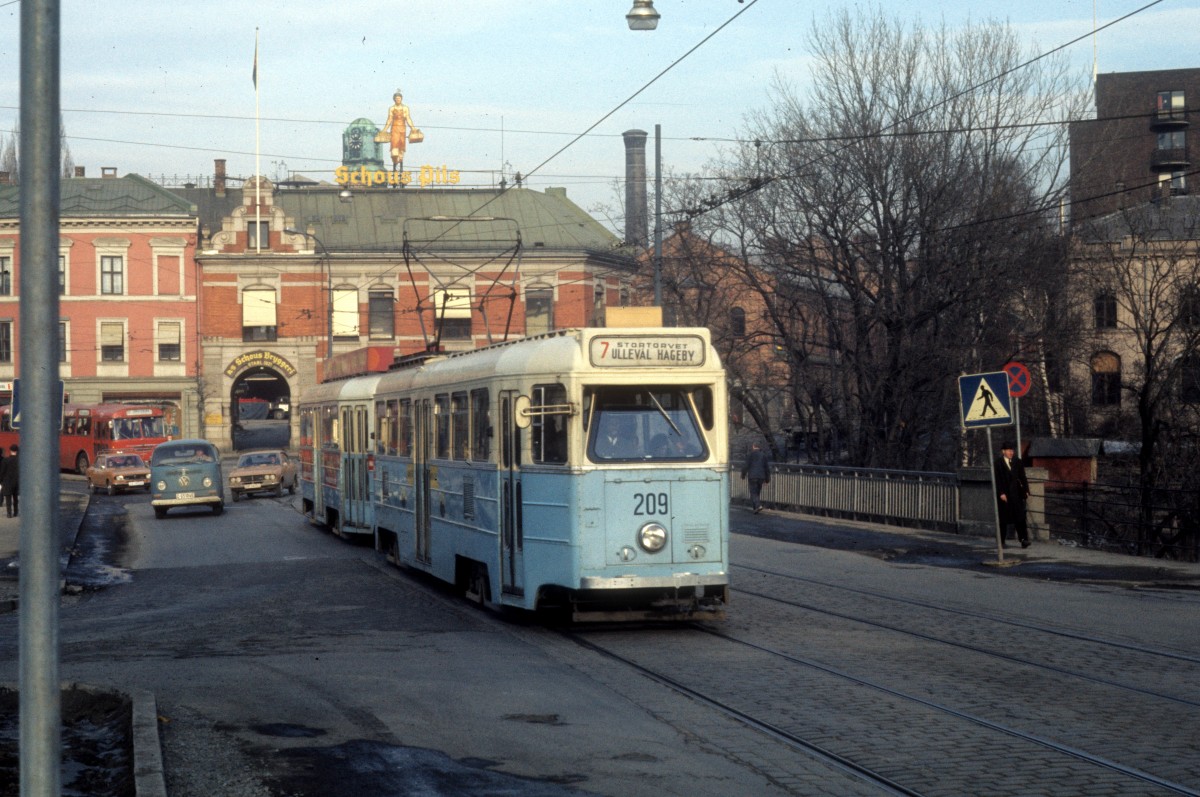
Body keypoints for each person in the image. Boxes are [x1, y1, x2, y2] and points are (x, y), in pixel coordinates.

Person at [994, 440, 1030, 548]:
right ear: (1003, 451)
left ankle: (1024, 539)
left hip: (1016, 494)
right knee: (1003, 519)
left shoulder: (1017, 462)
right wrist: (1001, 493)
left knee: (1020, 517)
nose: (1011, 452)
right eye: (1009, 450)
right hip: (1004, 495)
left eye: (1012, 450)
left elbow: (1022, 477)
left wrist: (1026, 490)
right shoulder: (997, 464)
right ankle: (1001, 541)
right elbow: (997, 480)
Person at [382, 89, 418, 176]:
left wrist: (413, 128)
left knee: (401, 148)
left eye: (399, 98)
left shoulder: (405, 108)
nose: (398, 100)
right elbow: (389, 119)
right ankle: (395, 164)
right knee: (394, 148)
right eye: (396, 98)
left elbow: (408, 118)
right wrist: (384, 130)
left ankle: (401, 166)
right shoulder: (392, 108)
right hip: (394, 129)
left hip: (402, 128)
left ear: (401, 99)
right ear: (394, 99)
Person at [741, 441, 771, 513]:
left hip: (752, 476)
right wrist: (767, 479)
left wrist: (743, 475)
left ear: (753, 446)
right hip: (761, 476)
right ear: (759, 447)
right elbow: (766, 468)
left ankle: (757, 505)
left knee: (753, 492)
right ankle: (755, 508)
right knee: (757, 492)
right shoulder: (763, 455)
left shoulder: (750, 455)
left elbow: (746, 466)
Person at [0, 444, 18, 518]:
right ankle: (16, 512)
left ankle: (9, 513)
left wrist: (0, 480)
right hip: (17, 482)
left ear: (10, 450)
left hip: (7, 482)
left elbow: (2, 472)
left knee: (8, 498)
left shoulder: (6, 460)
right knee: (15, 498)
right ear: (17, 451)